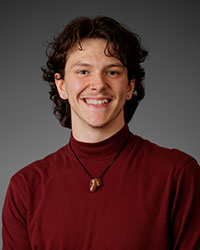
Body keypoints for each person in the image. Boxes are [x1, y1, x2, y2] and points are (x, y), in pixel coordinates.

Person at [2, 16, 200, 250]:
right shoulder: (25, 187)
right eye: (83, 71)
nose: (98, 84)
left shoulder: (178, 175)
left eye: (113, 72)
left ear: (130, 86)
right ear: (61, 85)